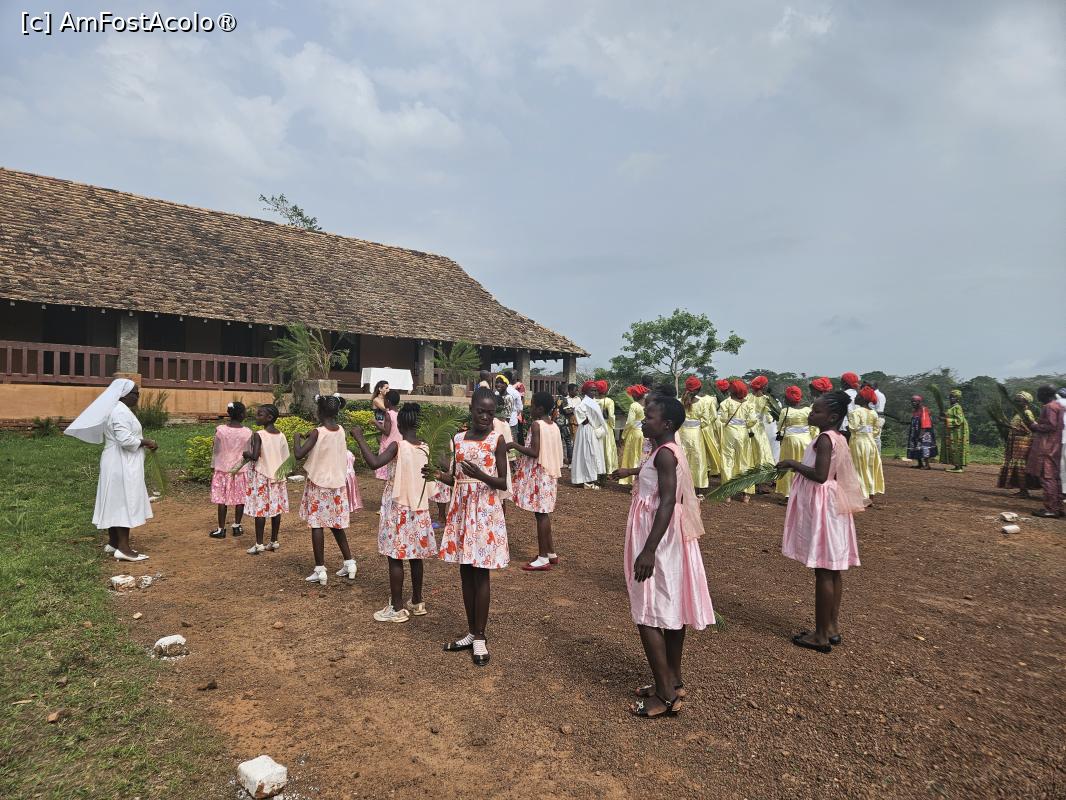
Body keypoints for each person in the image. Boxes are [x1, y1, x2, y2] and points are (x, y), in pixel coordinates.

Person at [610, 396, 714, 718]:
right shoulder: (663, 451)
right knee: (670, 610)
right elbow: (653, 477)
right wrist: (629, 471)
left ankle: (665, 696)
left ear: (667, 424)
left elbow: (667, 501)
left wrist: (648, 549)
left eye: (650, 417)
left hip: (658, 538)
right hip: (666, 538)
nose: (644, 421)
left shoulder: (665, 455)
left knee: (647, 611)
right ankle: (672, 680)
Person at [777, 390, 866, 653]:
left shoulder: (825, 440)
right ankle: (831, 627)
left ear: (833, 417)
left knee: (824, 571)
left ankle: (820, 635)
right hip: (833, 506)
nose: (810, 414)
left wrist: (792, 464)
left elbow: (820, 474)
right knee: (833, 570)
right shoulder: (838, 437)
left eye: (817, 411)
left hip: (824, 508)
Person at [431, 387, 510, 666]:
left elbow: (503, 482)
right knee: (465, 571)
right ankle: (470, 631)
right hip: (462, 510)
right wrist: (437, 474)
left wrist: (483, 475)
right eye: (481, 411)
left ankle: (480, 637)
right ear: (471, 410)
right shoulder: (458, 439)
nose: (486, 417)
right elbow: (456, 479)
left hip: (485, 511)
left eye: (491, 413)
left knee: (481, 573)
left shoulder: (497, 440)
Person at [351, 403, 437, 622]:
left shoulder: (398, 446)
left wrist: (359, 438)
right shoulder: (425, 447)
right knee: (415, 556)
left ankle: (397, 607)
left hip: (398, 506)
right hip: (419, 506)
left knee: (395, 556)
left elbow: (374, 463)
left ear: (399, 424)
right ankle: (417, 601)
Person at [65, 378, 156, 562]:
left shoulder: (116, 409)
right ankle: (124, 548)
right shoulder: (120, 412)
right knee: (123, 500)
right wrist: (147, 442)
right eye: (135, 393)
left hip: (115, 460)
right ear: (125, 394)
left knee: (115, 499)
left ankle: (114, 542)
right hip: (121, 461)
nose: (138, 396)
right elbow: (125, 440)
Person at [294, 394, 357, 585]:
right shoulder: (340, 430)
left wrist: (296, 438)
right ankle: (350, 563)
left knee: (317, 525)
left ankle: (320, 570)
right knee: (336, 524)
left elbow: (299, 454)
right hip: (337, 484)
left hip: (319, 484)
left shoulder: (317, 432)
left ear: (318, 411)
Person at [509, 391, 564, 571]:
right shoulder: (553, 425)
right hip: (549, 474)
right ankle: (550, 552)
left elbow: (534, 452)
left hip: (540, 474)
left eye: (532, 405)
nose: (530, 408)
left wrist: (513, 445)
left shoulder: (536, 425)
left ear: (539, 409)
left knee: (541, 515)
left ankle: (542, 558)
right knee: (543, 513)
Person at [243, 404, 290, 554]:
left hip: (262, 476)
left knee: (260, 510)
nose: (256, 417)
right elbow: (285, 458)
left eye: (260, 414)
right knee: (276, 509)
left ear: (269, 418)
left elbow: (255, 456)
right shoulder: (281, 435)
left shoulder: (259, 434)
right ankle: (274, 541)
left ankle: (259, 544)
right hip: (277, 477)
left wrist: (246, 454)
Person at [208, 401, 253, 539]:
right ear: (242, 415)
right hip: (240, 470)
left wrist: (213, 465)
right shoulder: (247, 432)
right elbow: (249, 452)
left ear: (229, 413)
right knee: (240, 498)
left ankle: (221, 529)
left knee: (222, 499)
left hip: (223, 469)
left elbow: (216, 450)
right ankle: (237, 526)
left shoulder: (220, 430)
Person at [1026, 385, 1065, 518]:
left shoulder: (1049, 407)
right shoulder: (1060, 406)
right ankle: (1058, 507)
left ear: (1045, 394)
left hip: (1047, 446)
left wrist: (1035, 426)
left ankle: (1051, 509)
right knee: (1055, 477)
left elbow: (1050, 426)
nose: (1037, 395)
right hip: (1057, 446)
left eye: (1039, 393)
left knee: (1047, 477)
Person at [718, 379, 758, 502]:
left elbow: (723, 419)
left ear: (732, 391)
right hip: (743, 433)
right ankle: (745, 493)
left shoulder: (725, 403)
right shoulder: (749, 404)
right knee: (744, 460)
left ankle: (727, 493)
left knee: (727, 459)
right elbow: (753, 420)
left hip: (729, 432)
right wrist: (745, 425)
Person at [996, 391, 1038, 497]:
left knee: (1020, 466)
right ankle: (1022, 490)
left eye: (1019, 401)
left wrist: (1013, 428)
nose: (1016, 402)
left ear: (1026, 402)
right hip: (1016, 443)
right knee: (1017, 466)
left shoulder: (1027, 413)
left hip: (1023, 443)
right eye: (1016, 400)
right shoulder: (1018, 413)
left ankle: (1024, 491)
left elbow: (1032, 427)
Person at [848, 386, 885, 501]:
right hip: (870, 443)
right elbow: (876, 431)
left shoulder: (855, 412)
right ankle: (870, 495)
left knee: (858, 469)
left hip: (858, 443)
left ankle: (861, 496)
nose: (856, 397)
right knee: (870, 468)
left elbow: (852, 427)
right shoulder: (874, 413)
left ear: (863, 399)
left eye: (858, 395)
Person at [775, 386, 812, 498]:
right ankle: (804, 492)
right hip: (806, 440)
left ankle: (789, 493)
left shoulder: (785, 411)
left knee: (788, 466)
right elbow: (813, 427)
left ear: (788, 398)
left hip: (790, 441)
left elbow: (780, 427)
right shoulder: (807, 410)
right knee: (805, 466)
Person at [678, 377, 712, 497]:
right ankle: (699, 491)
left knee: (682, 459)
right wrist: (697, 425)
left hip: (682, 433)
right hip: (696, 434)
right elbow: (706, 420)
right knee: (698, 460)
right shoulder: (702, 402)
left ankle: (681, 489)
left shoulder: (679, 401)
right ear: (699, 389)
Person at [570, 380, 607, 489]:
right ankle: (587, 480)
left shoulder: (594, 402)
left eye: (595, 390)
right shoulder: (583, 404)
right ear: (586, 391)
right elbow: (584, 421)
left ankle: (591, 478)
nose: (594, 392)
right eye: (592, 390)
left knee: (593, 453)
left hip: (594, 430)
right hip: (587, 431)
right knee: (588, 453)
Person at [619, 385, 649, 487]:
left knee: (633, 456)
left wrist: (623, 435)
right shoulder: (648, 404)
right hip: (645, 433)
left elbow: (630, 422)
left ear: (635, 395)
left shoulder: (634, 405)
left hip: (635, 433)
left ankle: (633, 481)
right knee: (643, 457)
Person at [374, 389, 402, 480]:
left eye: (385, 400)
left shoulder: (388, 414)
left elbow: (386, 431)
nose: (384, 402)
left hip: (388, 445)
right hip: (398, 443)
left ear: (388, 401)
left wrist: (375, 422)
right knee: (395, 470)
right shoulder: (399, 414)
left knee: (386, 472)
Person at [940, 389, 970, 473]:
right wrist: (944, 416)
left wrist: (945, 419)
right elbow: (951, 416)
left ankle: (959, 467)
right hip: (953, 431)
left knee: (957, 447)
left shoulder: (957, 407)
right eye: (950, 397)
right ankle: (956, 466)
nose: (951, 398)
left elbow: (959, 420)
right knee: (953, 447)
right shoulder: (952, 407)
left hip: (958, 432)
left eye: (953, 397)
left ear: (957, 399)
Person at [906, 395, 938, 468]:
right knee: (916, 446)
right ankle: (920, 464)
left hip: (924, 432)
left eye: (915, 401)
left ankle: (927, 465)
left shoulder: (924, 410)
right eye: (912, 402)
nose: (913, 403)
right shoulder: (915, 411)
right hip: (915, 432)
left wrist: (921, 435)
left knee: (924, 447)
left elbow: (926, 423)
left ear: (919, 402)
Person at [596, 379, 619, 476]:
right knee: (608, 447)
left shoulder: (594, 401)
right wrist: (612, 425)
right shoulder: (609, 401)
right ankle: (609, 468)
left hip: (596, 425)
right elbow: (611, 416)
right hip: (606, 426)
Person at [495, 372, 522, 443]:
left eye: (501, 382)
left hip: (506, 424)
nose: (498, 384)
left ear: (506, 384)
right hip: (504, 423)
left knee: (510, 442)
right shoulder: (497, 394)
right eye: (497, 382)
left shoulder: (508, 397)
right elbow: (520, 408)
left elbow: (507, 418)